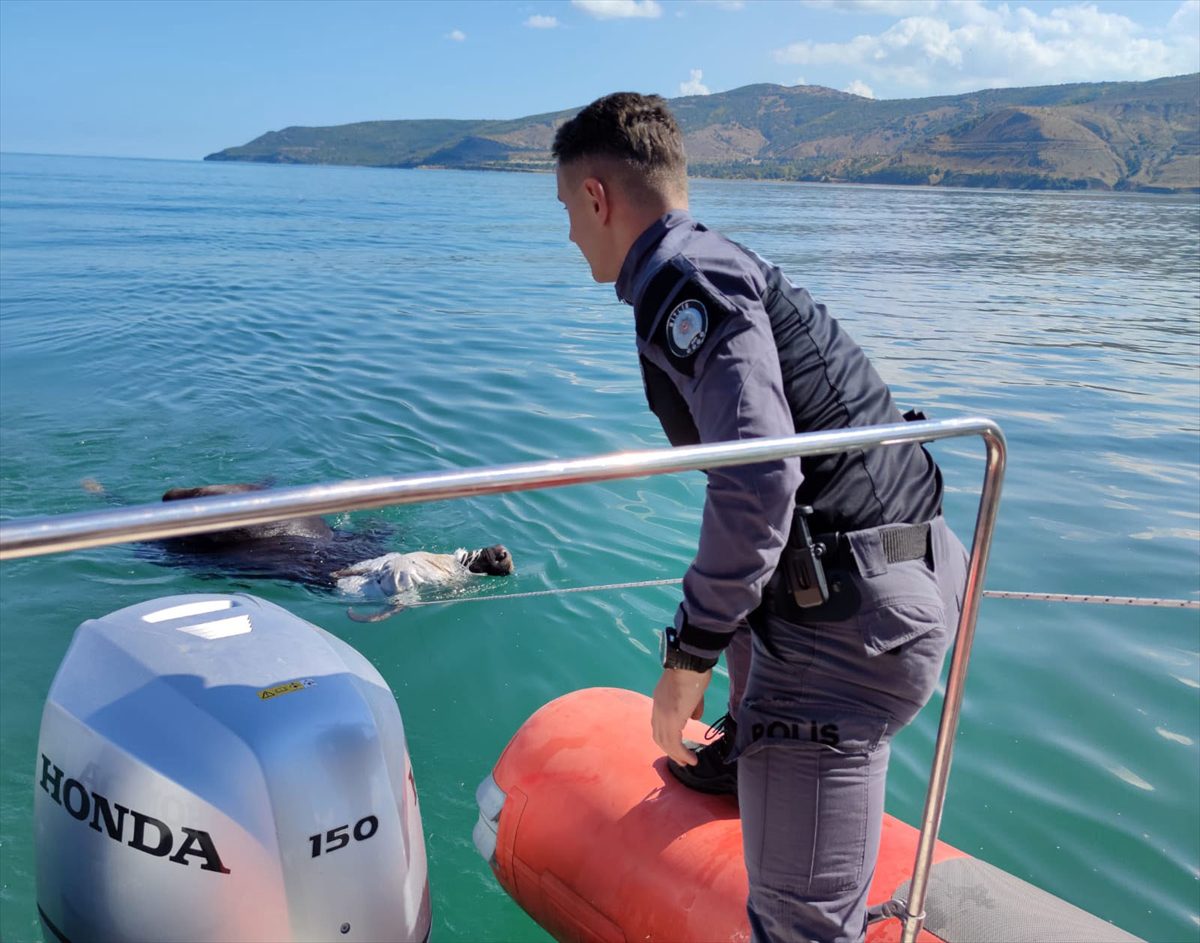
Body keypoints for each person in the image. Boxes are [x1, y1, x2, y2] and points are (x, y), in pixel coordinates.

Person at [553, 91, 969, 943]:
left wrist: (688, 656)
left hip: (850, 632)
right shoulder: (716, 257)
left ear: (597, 197)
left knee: (798, 927)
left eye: (567, 209)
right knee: (752, 576)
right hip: (906, 565)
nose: (568, 234)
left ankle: (786, 771)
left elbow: (760, 475)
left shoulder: (682, 281)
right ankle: (751, 742)